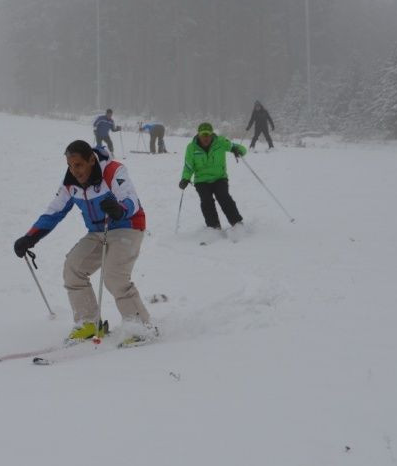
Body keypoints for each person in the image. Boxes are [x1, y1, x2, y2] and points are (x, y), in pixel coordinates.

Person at [13, 139, 153, 341]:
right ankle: (88, 323)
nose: (74, 170)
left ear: (91, 160)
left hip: (127, 227)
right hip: (97, 232)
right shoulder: (70, 183)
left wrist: (119, 209)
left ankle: (140, 327)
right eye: (70, 165)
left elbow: (130, 198)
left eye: (78, 164)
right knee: (73, 267)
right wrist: (29, 237)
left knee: (114, 276)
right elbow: (54, 211)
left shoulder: (113, 171)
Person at [179, 122, 247, 232]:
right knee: (206, 201)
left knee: (224, 197)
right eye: (203, 135)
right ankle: (214, 227)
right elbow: (188, 166)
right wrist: (185, 178)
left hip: (219, 177)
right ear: (198, 135)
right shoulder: (191, 147)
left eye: (208, 135)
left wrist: (236, 150)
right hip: (201, 180)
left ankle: (237, 223)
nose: (205, 138)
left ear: (212, 135)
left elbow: (242, 149)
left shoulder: (220, 142)